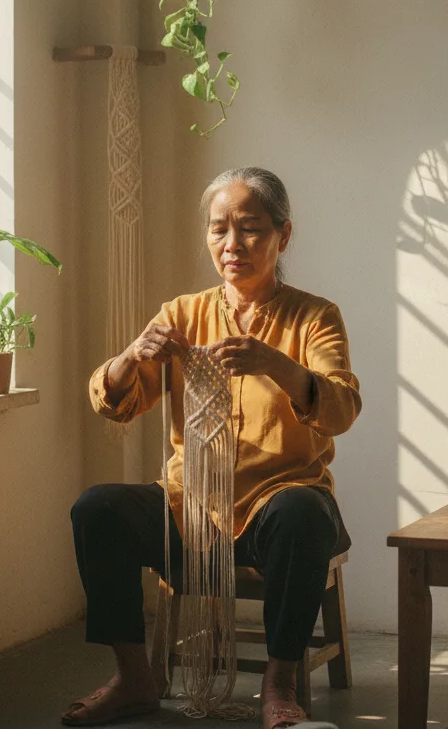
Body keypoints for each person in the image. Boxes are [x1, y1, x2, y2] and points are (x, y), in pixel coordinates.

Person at [63, 168, 361, 729]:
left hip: (277, 508)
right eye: (219, 229)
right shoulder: (182, 313)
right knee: (96, 508)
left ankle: (279, 686)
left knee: (303, 513)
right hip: (190, 506)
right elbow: (114, 403)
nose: (232, 245)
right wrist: (133, 355)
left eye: (249, 229)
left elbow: (341, 408)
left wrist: (272, 362)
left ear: (283, 235)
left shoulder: (315, 316)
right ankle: (134, 679)